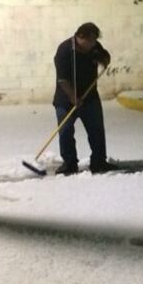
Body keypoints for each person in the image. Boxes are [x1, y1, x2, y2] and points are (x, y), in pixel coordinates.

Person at [52, 22, 117, 175]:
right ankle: (69, 164)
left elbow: (105, 56)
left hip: (90, 97)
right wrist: (73, 97)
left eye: (95, 40)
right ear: (80, 37)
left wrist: (104, 59)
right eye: (90, 41)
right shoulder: (64, 50)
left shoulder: (94, 46)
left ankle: (99, 162)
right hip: (65, 99)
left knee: (96, 130)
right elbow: (62, 80)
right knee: (66, 131)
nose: (93, 44)